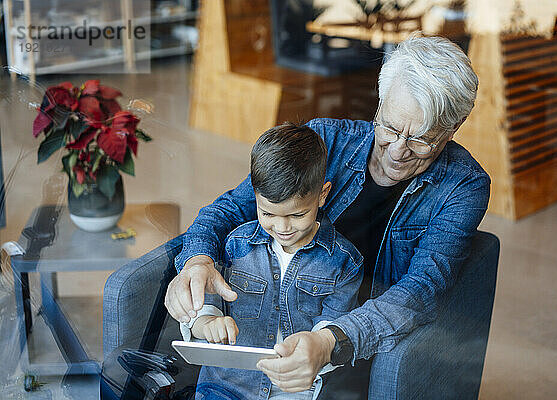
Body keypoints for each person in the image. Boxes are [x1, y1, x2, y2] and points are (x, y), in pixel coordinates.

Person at [167, 34, 490, 398]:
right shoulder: (323, 140)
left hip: (360, 337)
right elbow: (228, 211)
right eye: (389, 127)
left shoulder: (464, 187)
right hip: (284, 319)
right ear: (380, 102)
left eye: (421, 140)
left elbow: (420, 291)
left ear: (455, 126)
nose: (398, 151)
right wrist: (196, 260)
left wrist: (329, 340)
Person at [178, 122, 363, 399]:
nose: (283, 227)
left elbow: (331, 330)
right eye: (268, 214)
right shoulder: (236, 245)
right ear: (254, 197)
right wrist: (207, 323)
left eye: (297, 215)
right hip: (226, 385)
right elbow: (209, 294)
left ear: (322, 195)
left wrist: (317, 346)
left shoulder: (344, 263)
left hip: (295, 390)